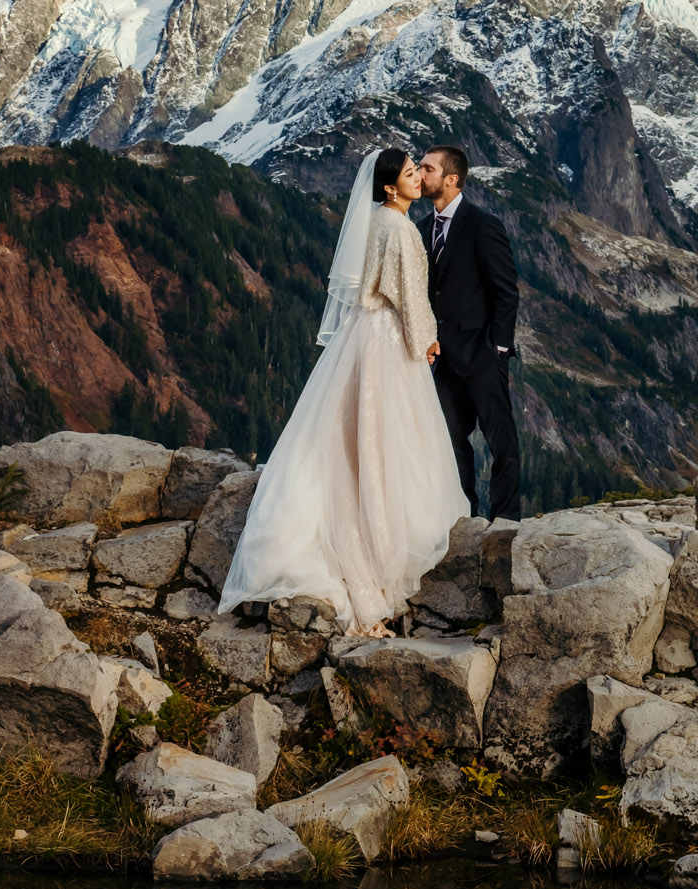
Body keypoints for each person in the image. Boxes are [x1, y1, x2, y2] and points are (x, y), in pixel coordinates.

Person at [217, 144, 471, 636]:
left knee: (354, 440)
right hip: (387, 343)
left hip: (364, 336)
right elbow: (406, 296)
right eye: (409, 172)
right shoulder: (398, 228)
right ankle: (381, 555)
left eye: (419, 169)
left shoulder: (378, 219)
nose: (419, 176)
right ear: (389, 186)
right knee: (387, 441)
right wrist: (428, 342)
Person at [417, 146, 522, 521]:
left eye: (427, 168)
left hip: (482, 354)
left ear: (451, 179)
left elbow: (506, 290)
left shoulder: (482, 224)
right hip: (445, 358)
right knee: (451, 442)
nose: (419, 172)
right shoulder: (423, 228)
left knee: (502, 444)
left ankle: (506, 522)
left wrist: (498, 348)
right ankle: (463, 517)